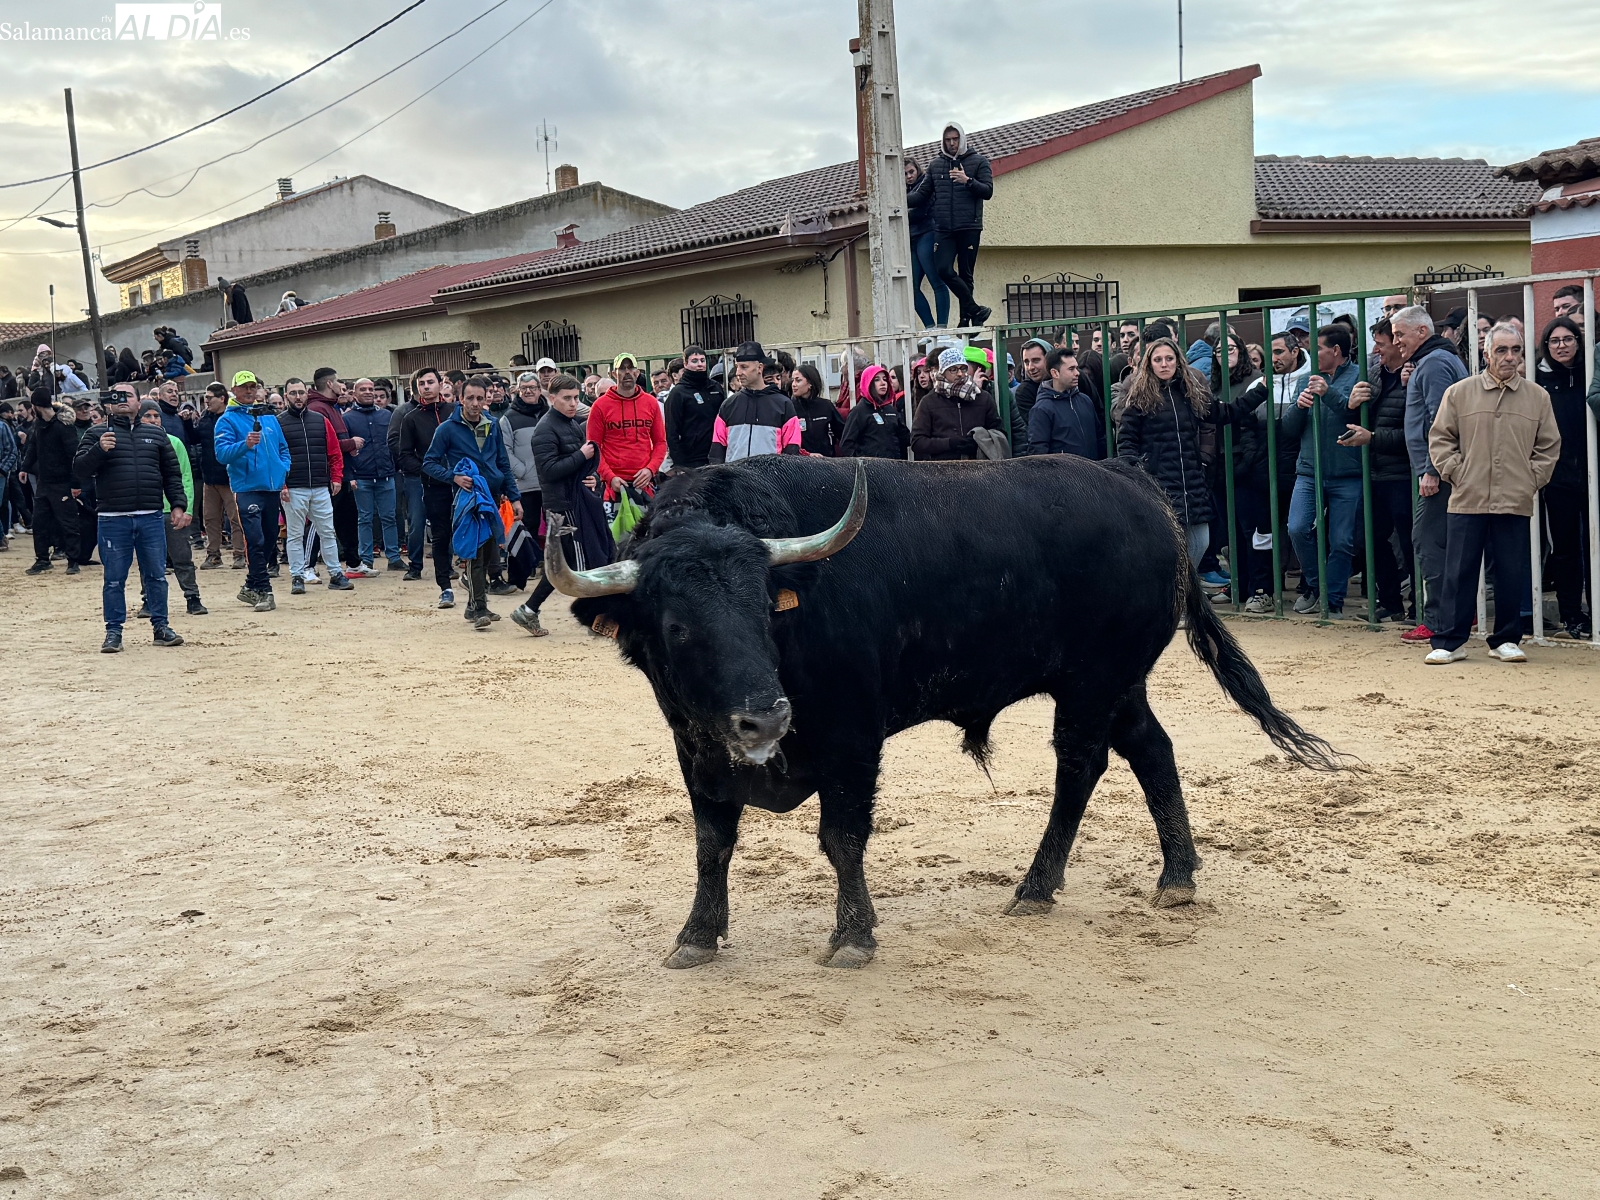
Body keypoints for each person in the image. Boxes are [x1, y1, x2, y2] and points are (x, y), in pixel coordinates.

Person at [1424, 324, 1560, 664]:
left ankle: (1506, 638)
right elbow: (1440, 439)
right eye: (1502, 350)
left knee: (1512, 571)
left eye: (1515, 350)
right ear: (1486, 354)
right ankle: (1450, 641)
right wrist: (1456, 472)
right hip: (1467, 497)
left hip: (1514, 498)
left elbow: (1548, 447)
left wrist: (1530, 480)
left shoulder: (1537, 397)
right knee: (1459, 571)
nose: (1509, 357)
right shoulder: (1459, 393)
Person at [73, 388, 190, 651]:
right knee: (114, 578)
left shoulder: (156, 433)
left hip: (150, 516)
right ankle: (113, 632)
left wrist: (178, 505)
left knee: (156, 576)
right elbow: (79, 470)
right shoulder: (96, 434)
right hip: (112, 519)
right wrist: (99, 450)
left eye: (128, 395)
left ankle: (161, 627)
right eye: (116, 396)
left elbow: (171, 473)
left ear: (139, 401)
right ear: (108, 403)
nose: (123, 401)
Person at [1394, 305, 1470, 642]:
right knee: (1440, 543)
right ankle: (1453, 616)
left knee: (1429, 543)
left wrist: (1431, 470)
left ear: (1421, 332)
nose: (1396, 342)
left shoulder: (1436, 363)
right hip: (1441, 469)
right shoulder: (1433, 361)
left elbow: (1440, 421)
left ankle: (1441, 620)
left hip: (1437, 473)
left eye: (1400, 334)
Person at [1116, 337, 1225, 566]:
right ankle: (1178, 595)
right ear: (1149, 364)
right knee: (1170, 547)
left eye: (1169, 358)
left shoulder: (1189, 393)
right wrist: (1138, 473)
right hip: (1159, 482)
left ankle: (1183, 592)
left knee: (1200, 541)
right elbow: (1126, 440)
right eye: (1158, 359)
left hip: (1191, 482)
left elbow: (1222, 414)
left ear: (1178, 361)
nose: (1164, 364)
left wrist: (1262, 391)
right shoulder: (1139, 398)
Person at [423, 376, 522, 628]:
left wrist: (514, 496)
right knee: (475, 554)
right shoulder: (446, 428)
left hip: (492, 498)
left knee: (490, 555)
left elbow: (503, 463)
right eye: (470, 398)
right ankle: (479, 608)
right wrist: (453, 477)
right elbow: (429, 463)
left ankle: (475, 606)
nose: (475, 403)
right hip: (468, 501)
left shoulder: (493, 424)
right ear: (460, 399)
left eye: (480, 398)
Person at [1280, 326, 1363, 618]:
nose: (1311, 354)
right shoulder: (1305, 378)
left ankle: (1334, 600)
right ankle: (1318, 587)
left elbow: (1354, 415)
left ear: (1336, 351)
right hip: (1309, 471)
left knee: (1342, 540)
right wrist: (1299, 408)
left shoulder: (1359, 376)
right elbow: (1289, 430)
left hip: (1348, 472)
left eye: (1318, 349)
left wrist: (1328, 394)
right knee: (1297, 528)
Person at [512, 374, 598, 637]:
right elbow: (548, 471)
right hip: (562, 506)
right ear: (552, 399)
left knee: (567, 564)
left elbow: (572, 468)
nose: (573, 403)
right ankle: (594, 618)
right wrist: (580, 455)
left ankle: (529, 610)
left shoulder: (570, 424)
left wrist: (589, 477)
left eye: (575, 398)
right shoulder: (546, 429)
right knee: (580, 565)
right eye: (567, 399)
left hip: (572, 501)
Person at [1341, 318, 1415, 623]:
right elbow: (1364, 419)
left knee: (1411, 541)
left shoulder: (1415, 376)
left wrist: (1372, 438)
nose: (1376, 350)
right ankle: (1390, 602)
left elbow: (1416, 433)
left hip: (1403, 473)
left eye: (1382, 344)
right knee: (1369, 537)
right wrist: (1352, 405)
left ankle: (1418, 605)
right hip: (1374, 473)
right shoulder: (1374, 374)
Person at [212, 370, 290, 613]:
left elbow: (283, 448)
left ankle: (250, 585)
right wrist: (244, 445)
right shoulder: (226, 420)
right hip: (247, 488)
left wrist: (282, 469)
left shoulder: (269, 416)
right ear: (233, 390)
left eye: (252, 386)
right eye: (243, 387)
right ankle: (265, 591)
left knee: (268, 540)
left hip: (271, 487)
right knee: (255, 539)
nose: (248, 391)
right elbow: (222, 454)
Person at [1536, 316, 1591, 639]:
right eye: (1554, 341)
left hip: (1592, 473)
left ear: (1578, 341)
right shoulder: (1540, 382)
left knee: (1594, 546)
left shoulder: (1589, 374)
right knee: (1566, 548)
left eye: (1567, 339)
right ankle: (1572, 614)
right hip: (1557, 477)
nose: (1561, 346)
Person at [907, 123, 994, 328]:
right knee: (944, 270)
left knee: (966, 274)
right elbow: (921, 195)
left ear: (962, 139)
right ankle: (975, 309)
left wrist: (967, 181)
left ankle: (965, 320)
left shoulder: (979, 161)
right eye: (948, 140)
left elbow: (988, 191)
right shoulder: (936, 165)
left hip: (969, 226)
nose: (952, 143)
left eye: (955, 139)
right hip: (944, 229)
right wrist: (896, 198)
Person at [278, 378, 353, 596]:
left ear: (307, 394)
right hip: (293, 488)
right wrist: (281, 484)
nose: (298, 396)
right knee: (294, 534)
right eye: (293, 393)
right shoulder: (278, 422)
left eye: (301, 392)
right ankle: (297, 576)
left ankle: (336, 574)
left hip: (320, 486)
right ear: (286, 397)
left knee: (328, 531)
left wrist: (337, 477)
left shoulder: (321, 420)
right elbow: (274, 457)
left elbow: (334, 452)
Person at [135, 397, 206, 617]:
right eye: (148, 416)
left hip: (171, 509)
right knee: (148, 559)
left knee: (182, 556)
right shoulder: (132, 442)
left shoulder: (174, 442)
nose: (154, 419)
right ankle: (149, 600)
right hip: (145, 509)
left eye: (157, 416)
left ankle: (192, 597)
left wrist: (187, 509)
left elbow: (185, 476)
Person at [393, 366, 450, 593]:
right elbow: (403, 453)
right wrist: (425, 470)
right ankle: (415, 566)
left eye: (430, 382)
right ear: (417, 389)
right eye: (421, 384)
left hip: (451, 478)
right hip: (420, 479)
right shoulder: (410, 417)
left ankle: (446, 566)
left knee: (447, 524)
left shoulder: (454, 412)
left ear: (439, 384)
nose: (426, 387)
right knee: (417, 522)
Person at [19, 389, 82, 574]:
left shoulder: (64, 426)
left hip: (62, 483)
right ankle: (42, 559)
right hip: (44, 483)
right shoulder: (39, 426)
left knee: (68, 523)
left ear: (35, 407)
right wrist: (24, 467)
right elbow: (32, 447)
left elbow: (74, 456)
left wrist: (75, 483)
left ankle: (73, 561)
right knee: (39, 523)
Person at [587, 352, 666, 498]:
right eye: (622, 368)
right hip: (613, 487)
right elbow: (593, 448)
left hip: (644, 484)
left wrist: (650, 469)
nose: (627, 372)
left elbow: (660, 443)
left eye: (630, 368)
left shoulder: (651, 403)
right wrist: (609, 477)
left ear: (637, 372)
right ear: (613, 374)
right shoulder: (600, 406)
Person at [307, 367, 362, 574]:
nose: (342, 385)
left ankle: (354, 564)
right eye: (338, 381)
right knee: (320, 522)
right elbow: (323, 443)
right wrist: (350, 444)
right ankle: (308, 565)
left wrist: (349, 451)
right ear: (329, 384)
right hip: (329, 476)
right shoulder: (317, 408)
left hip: (344, 472)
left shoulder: (333, 407)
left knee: (348, 520)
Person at [343, 378, 402, 572]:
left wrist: (395, 466)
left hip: (386, 476)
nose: (368, 392)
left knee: (389, 518)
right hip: (361, 477)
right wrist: (350, 475)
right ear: (355, 393)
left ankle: (394, 558)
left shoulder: (387, 415)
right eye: (363, 389)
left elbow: (395, 443)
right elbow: (344, 451)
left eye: (371, 389)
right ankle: (366, 559)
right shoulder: (348, 418)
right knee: (365, 518)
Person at [709, 341, 800, 464]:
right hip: (735, 480)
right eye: (737, 367)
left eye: (744, 367)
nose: (738, 373)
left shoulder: (783, 404)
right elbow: (717, 450)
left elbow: (792, 449)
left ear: (760, 368)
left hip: (771, 480)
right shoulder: (728, 404)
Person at [912, 347, 1000, 460]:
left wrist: (979, 442)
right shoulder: (929, 402)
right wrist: (950, 444)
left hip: (980, 469)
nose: (960, 374)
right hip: (943, 472)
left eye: (963, 368)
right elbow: (917, 442)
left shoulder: (982, 397)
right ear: (943, 372)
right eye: (953, 369)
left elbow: (998, 432)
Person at [194, 383, 243, 570]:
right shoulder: (205, 418)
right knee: (210, 518)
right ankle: (213, 555)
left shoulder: (232, 417)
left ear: (222, 398)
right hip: (209, 477)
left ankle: (240, 554)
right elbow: (194, 439)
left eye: (209, 397)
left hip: (230, 477)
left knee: (235, 518)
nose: (206, 401)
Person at [1027, 346, 1104, 460]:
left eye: (1076, 368)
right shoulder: (1042, 409)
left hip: (1093, 473)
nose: (1077, 373)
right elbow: (1038, 454)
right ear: (1055, 373)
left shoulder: (1085, 401)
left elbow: (1100, 438)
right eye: (1071, 369)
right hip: (1062, 476)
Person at [663, 345, 724, 470]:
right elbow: (672, 432)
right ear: (686, 364)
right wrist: (679, 464)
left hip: (716, 456)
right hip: (691, 460)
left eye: (702, 360)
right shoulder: (678, 393)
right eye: (694, 361)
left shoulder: (716, 388)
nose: (699, 364)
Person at [905, 158, 949, 329]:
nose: (909, 176)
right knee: (912, 287)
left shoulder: (925, 184)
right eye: (905, 174)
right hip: (912, 238)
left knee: (935, 280)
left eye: (911, 172)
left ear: (917, 170)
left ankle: (942, 326)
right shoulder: (904, 190)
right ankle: (930, 327)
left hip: (927, 233)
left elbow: (920, 211)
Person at [501, 370, 549, 525]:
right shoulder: (508, 418)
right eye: (524, 388)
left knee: (554, 534)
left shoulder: (550, 414)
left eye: (532, 387)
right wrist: (521, 470)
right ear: (518, 391)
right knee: (530, 533)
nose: (528, 391)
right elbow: (504, 450)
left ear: (539, 390)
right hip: (524, 487)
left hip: (550, 484)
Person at [839, 363, 910, 459]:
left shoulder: (891, 409)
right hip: (870, 469)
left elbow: (905, 438)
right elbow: (846, 445)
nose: (883, 383)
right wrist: (862, 464)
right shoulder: (859, 412)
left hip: (893, 467)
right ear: (868, 383)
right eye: (877, 380)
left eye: (885, 379)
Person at [790, 363, 843, 456]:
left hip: (825, 461)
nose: (794, 384)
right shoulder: (789, 407)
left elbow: (842, 433)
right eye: (792, 381)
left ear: (810, 383)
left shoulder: (826, 406)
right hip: (799, 463)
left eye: (798, 380)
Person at [1011, 338, 1053, 433]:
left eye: (1036, 360)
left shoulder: (1071, 379)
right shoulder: (1024, 392)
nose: (1030, 367)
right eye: (1026, 362)